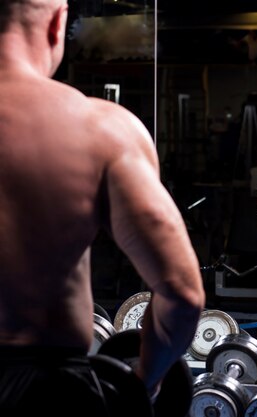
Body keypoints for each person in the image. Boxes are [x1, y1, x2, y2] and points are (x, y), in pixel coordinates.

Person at [0, 0, 205, 415]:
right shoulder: (99, 129)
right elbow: (182, 294)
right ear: (58, 24)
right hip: (47, 391)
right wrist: (142, 385)